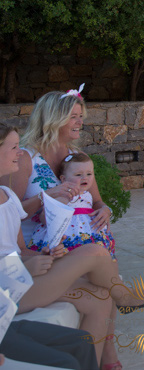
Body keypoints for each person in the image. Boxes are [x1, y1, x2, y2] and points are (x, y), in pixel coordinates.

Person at [0, 122, 110, 369]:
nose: (20, 152)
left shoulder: (6, 194)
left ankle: (103, 360)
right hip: (7, 293)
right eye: (15, 147)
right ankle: (126, 295)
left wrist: (42, 254)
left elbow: (19, 250)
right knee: (94, 252)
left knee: (99, 296)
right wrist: (25, 267)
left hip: (20, 281)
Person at [9, 90, 113, 245]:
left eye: (80, 116)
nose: (80, 122)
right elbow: (9, 214)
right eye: (73, 117)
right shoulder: (25, 158)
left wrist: (105, 210)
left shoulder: (78, 156)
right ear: (53, 120)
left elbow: (97, 202)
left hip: (76, 244)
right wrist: (48, 195)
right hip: (34, 248)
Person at [28, 153, 115, 259]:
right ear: (63, 179)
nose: (85, 178)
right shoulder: (64, 194)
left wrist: (104, 211)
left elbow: (97, 203)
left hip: (90, 234)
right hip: (69, 236)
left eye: (89, 174)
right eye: (78, 175)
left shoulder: (88, 194)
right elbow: (45, 217)